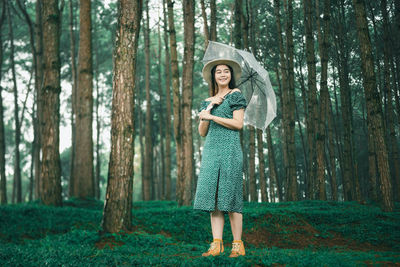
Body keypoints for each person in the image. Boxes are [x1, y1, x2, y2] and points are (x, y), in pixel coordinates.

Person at [194, 58, 247, 258]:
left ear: (231, 76)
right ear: (213, 76)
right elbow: (202, 131)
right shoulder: (207, 101)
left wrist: (213, 116)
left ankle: (237, 245)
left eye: (226, 71)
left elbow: (238, 124)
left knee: (230, 198)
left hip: (230, 150)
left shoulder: (236, 95)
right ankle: (217, 244)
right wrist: (208, 109)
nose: (223, 74)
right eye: (219, 72)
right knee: (213, 200)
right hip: (211, 151)